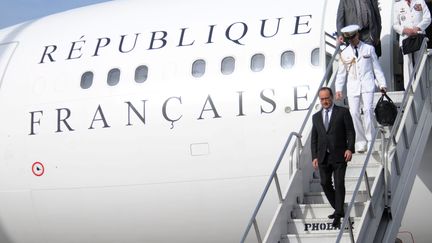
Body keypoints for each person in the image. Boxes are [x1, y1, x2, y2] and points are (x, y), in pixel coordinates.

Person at [335, 25, 387, 153]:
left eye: (353, 36)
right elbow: (341, 73)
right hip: (353, 87)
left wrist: (382, 83)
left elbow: (376, 68)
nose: (351, 40)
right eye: (349, 38)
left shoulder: (368, 49)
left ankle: (370, 139)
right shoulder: (345, 53)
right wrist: (338, 89)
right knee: (354, 113)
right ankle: (360, 141)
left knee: (368, 110)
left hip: (367, 84)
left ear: (358, 34)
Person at [311, 87, 355, 228]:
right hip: (323, 156)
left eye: (327, 98)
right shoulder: (316, 117)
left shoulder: (342, 112)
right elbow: (314, 138)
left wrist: (350, 148)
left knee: (339, 183)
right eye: (322, 99)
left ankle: (337, 214)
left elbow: (350, 132)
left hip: (339, 154)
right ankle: (338, 208)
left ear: (332, 97)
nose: (325, 101)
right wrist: (314, 157)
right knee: (324, 183)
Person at [393, 0, 431, 90]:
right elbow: (395, 25)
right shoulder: (397, 5)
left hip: (419, 36)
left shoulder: (420, 2)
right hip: (406, 38)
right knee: (407, 65)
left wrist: (417, 28)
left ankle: (423, 89)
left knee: (421, 64)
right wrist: (405, 30)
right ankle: (409, 89)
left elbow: (428, 18)